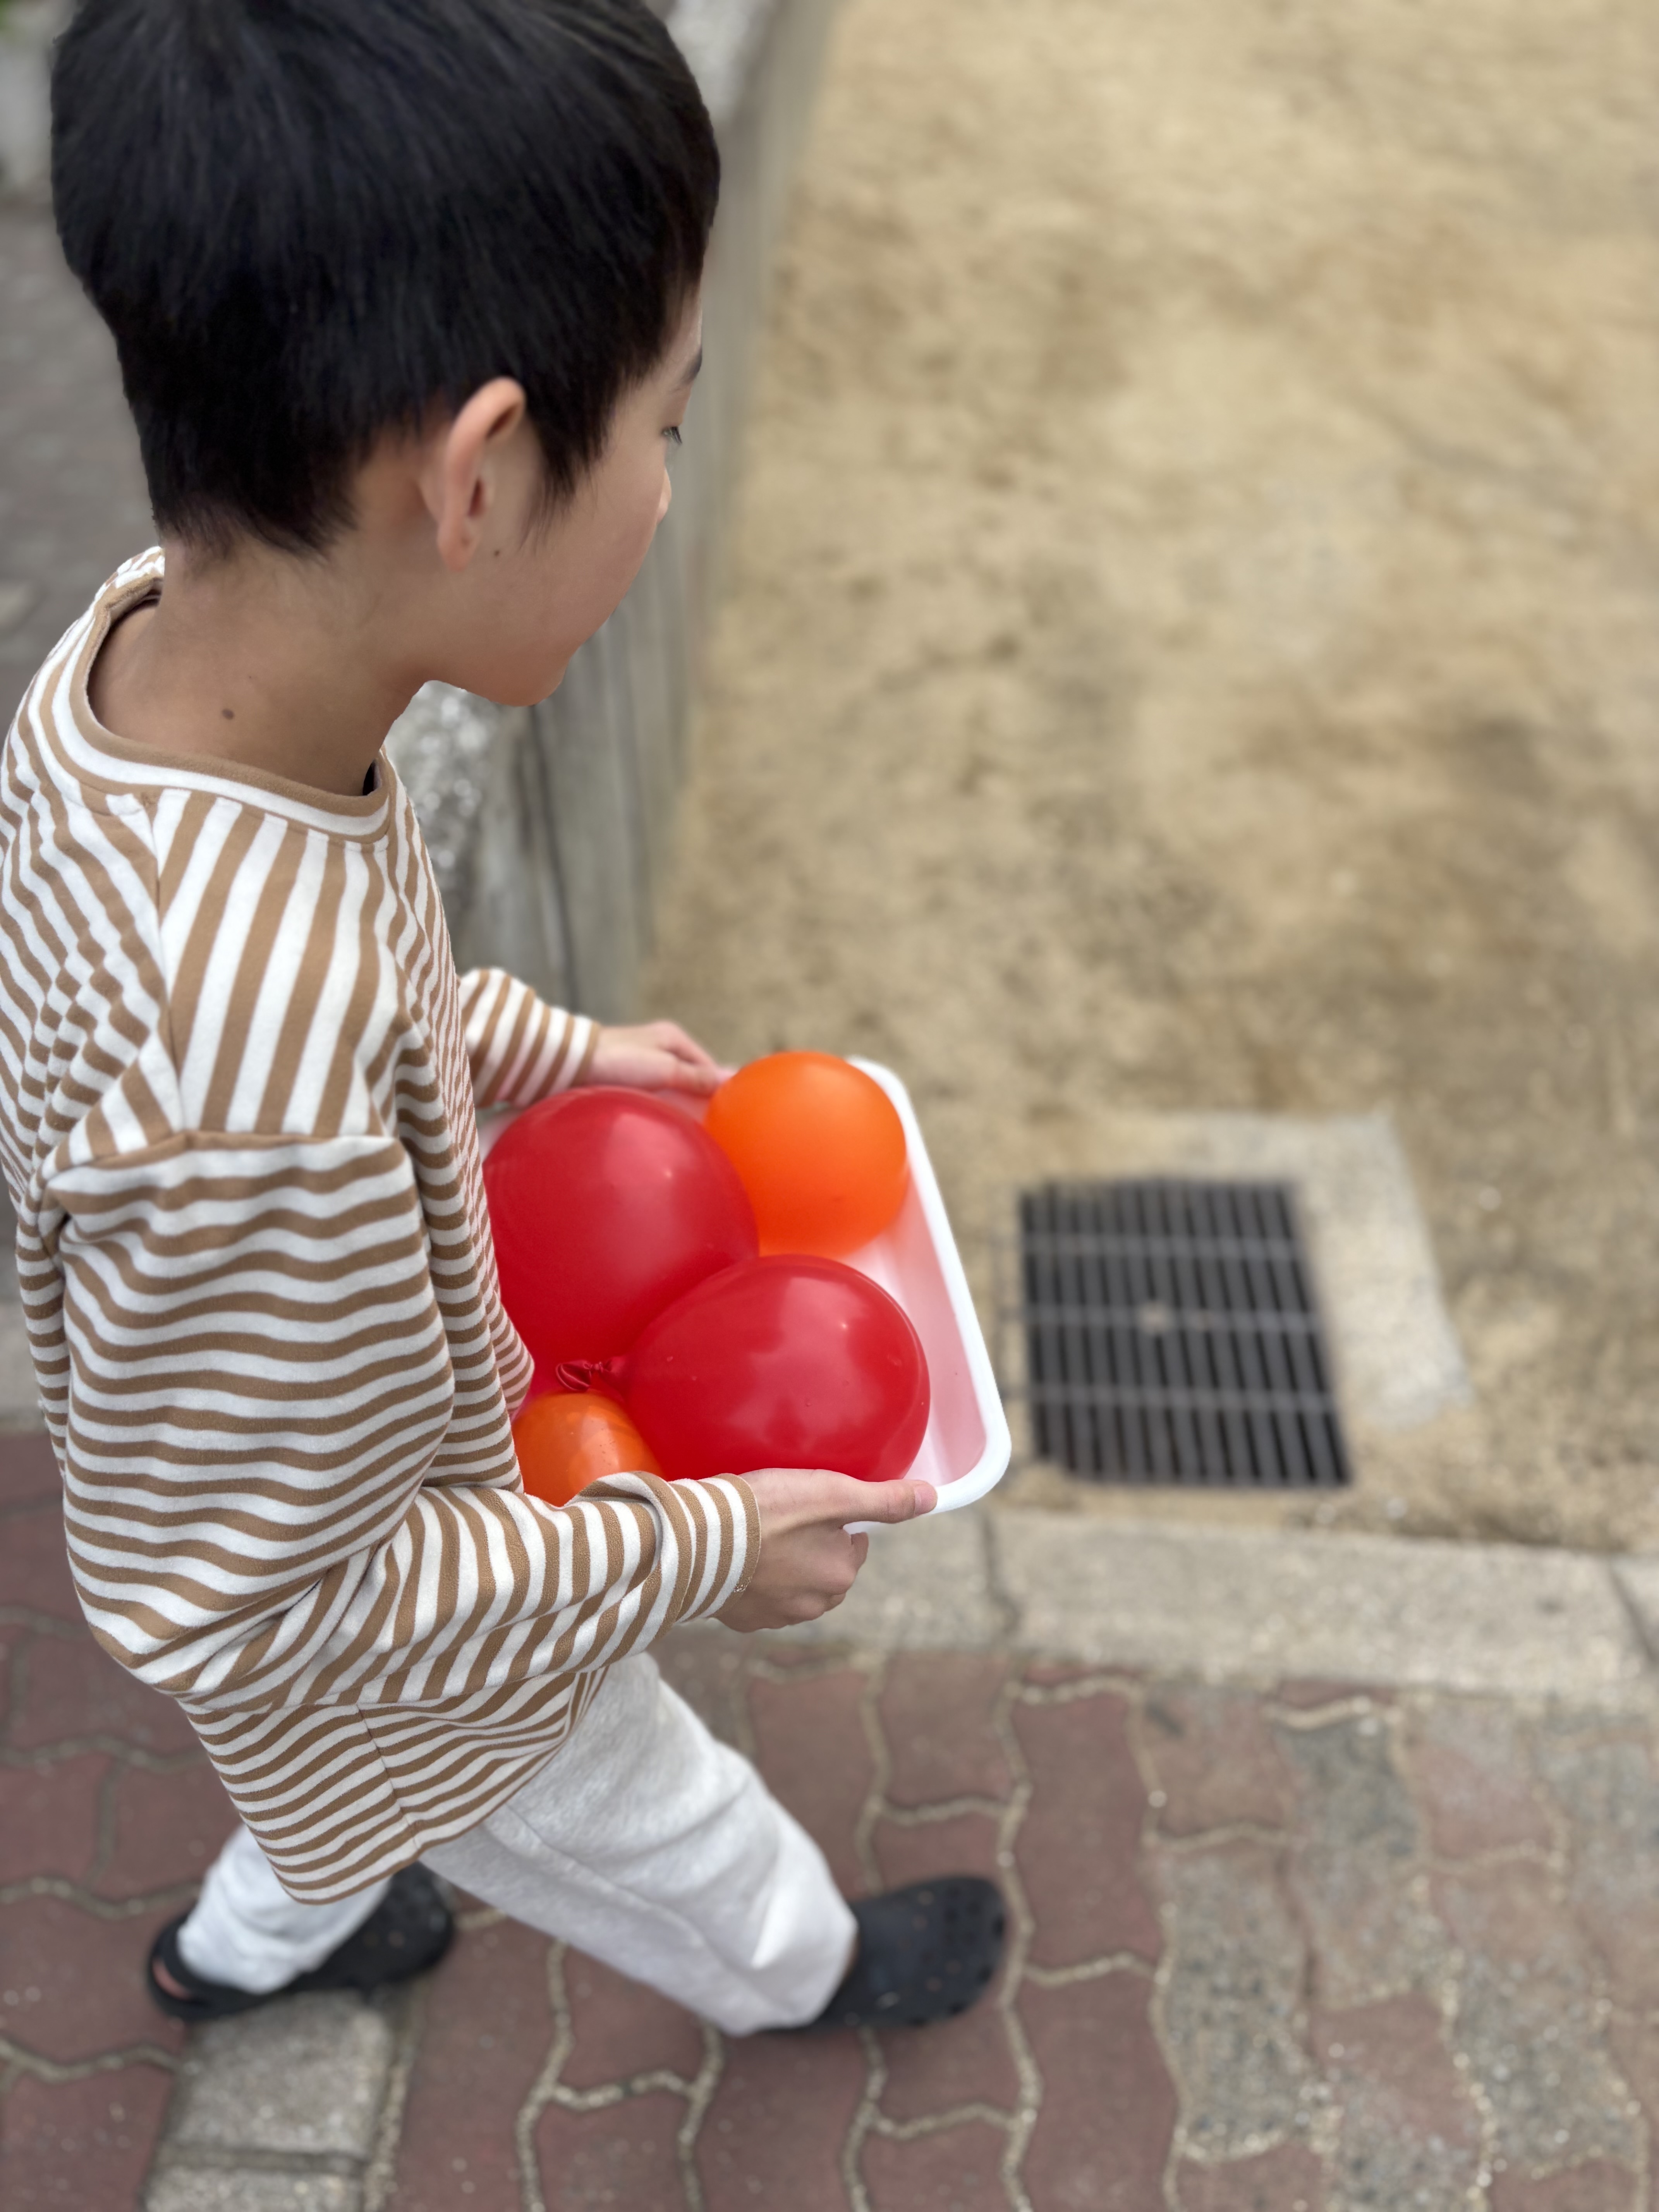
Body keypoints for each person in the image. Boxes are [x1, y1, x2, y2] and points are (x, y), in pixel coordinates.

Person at [5, 0, 1006, 2038]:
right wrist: (698, 1544)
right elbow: (293, 1601)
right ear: (476, 474)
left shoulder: (149, 664)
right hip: (426, 1643)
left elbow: (327, 986)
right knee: (659, 1818)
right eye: (662, 420)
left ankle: (249, 1945)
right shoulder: (244, 1091)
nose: (664, 477)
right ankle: (809, 1981)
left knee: (315, 1791)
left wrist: (538, 1050)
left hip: (299, 1536)